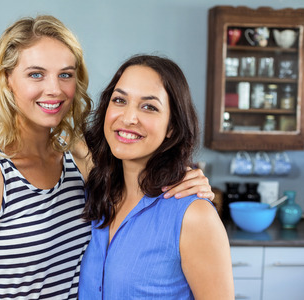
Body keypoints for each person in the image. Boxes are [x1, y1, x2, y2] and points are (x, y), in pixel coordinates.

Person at [0, 15, 215, 300]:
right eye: (35, 74)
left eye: (66, 74)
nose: (54, 89)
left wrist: (188, 178)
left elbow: (136, 183)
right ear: (7, 80)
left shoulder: (79, 161)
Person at [78, 55, 234, 299]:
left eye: (149, 107)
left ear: (172, 126)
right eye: (119, 100)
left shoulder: (193, 216)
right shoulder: (95, 193)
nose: (129, 118)